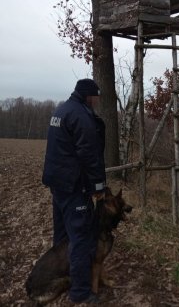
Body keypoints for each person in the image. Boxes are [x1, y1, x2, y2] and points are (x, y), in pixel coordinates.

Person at [42, 78, 106, 304]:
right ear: (89, 95)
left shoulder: (61, 110)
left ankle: (60, 278)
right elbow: (90, 155)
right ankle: (80, 292)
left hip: (57, 184)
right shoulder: (81, 115)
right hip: (73, 186)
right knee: (80, 239)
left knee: (62, 237)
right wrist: (98, 186)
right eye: (96, 97)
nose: (97, 101)